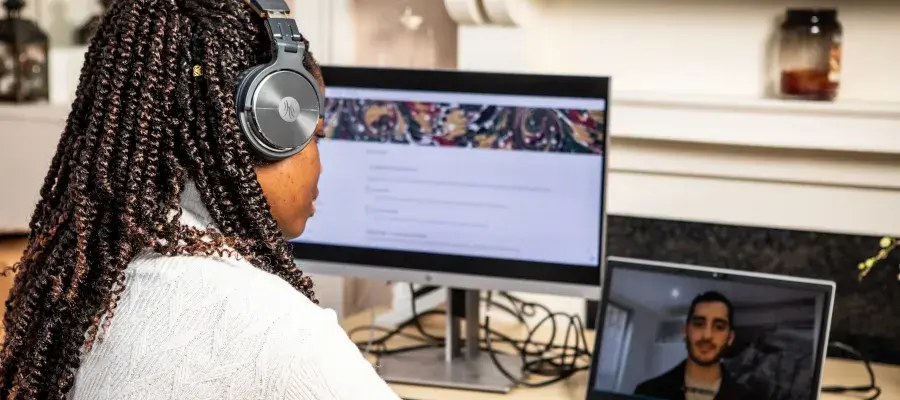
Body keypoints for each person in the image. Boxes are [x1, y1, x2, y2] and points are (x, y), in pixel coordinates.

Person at [0, 0, 400, 399]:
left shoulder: (77, 291)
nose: (320, 164)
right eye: (313, 135)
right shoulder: (283, 333)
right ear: (263, 131)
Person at [633, 291, 755, 400]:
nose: (707, 335)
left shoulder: (749, 398)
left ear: (730, 338)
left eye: (719, 327)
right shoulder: (647, 392)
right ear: (685, 331)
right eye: (698, 324)